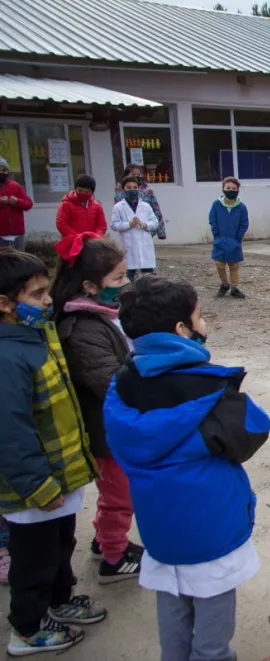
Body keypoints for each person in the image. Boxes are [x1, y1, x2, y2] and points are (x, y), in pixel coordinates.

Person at [103, 275, 270, 661]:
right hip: (211, 532)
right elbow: (254, 427)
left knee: (173, 616)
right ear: (182, 330)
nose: (204, 322)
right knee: (212, 640)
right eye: (199, 316)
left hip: (160, 530)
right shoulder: (207, 388)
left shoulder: (121, 385)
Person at [0, 248, 105, 656]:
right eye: (37, 295)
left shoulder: (37, 334)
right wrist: (37, 486)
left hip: (57, 477)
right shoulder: (8, 358)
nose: (48, 301)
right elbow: (9, 433)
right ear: (5, 304)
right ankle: (27, 628)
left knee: (60, 546)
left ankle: (59, 601)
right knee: (33, 560)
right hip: (34, 488)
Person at [50, 233, 143, 585]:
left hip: (111, 424)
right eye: (118, 278)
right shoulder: (82, 328)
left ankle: (105, 539)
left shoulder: (99, 313)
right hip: (105, 429)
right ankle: (114, 558)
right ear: (89, 285)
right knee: (120, 495)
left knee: (115, 493)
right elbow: (111, 381)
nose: (125, 283)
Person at [111, 176, 158, 281]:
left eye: (135, 187)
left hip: (145, 244)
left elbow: (155, 223)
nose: (132, 190)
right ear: (123, 190)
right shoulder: (118, 207)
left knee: (149, 277)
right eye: (129, 187)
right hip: (129, 245)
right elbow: (114, 225)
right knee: (128, 277)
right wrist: (129, 224)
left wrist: (145, 224)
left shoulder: (145, 206)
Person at [209, 177, 249, 299]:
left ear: (238, 190)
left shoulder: (241, 207)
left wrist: (238, 237)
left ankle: (234, 288)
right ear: (223, 189)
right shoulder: (216, 205)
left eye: (233, 188)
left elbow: (244, 223)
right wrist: (216, 234)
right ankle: (224, 284)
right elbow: (212, 219)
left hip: (234, 240)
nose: (231, 190)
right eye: (228, 188)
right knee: (219, 263)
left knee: (233, 265)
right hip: (220, 239)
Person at [114, 163, 166, 241]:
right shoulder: (120, 193)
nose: (137, 176)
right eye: (133, 174)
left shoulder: (148, 192)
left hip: (145, 229)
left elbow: (156, 211)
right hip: (128, 232)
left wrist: (161, 231)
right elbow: (117, 216)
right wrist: (127, 225)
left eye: (139, 174)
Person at [55, 175, 106, 239]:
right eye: (80, 191)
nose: (83, 194)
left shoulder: (97, 206)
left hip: (92, 243)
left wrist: (95, 238)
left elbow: (101, 226)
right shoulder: (66, 205)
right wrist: (78, 237)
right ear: (75, 189)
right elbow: (61, 224)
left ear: (92, 192)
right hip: (72, 242)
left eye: (87, 192)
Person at [0, 157, 34, 251]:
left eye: (4, 170)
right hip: (1, 235)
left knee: (19, 262)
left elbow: (29, 204)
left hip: (18, 235)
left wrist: (17, 202)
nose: (2, 172)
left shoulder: (15, 186)